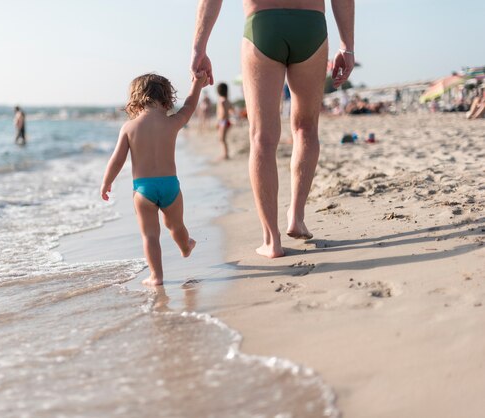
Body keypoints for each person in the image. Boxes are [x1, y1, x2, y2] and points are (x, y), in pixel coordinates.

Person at [191, 0, 354, 258]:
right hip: (310, 25)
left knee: (261, 138)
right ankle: (297, 217)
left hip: (262, 24)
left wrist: (199, 47)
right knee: (306, 129)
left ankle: (271, 240)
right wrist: (348, 46)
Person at [100, 72, 208, 286]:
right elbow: (189, 106)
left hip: (143, 190)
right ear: (166, 96)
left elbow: (117, 160)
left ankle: (156, 276)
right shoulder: (173, 122)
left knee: (150, 235)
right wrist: (197, 84)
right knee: (175, 225)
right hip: (170, 186)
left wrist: (106, 182)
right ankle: (185, 246)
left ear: (136, 97)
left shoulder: (129, 128)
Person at [216, 82, 233, 160]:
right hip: (227, 121)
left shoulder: (221, 101)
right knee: (223, 138)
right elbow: (231, 109)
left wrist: (218, 121)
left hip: (223, 122)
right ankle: (225, 154)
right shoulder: (227, 100)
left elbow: (222, 113)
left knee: (222, 139)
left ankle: (225, 154)